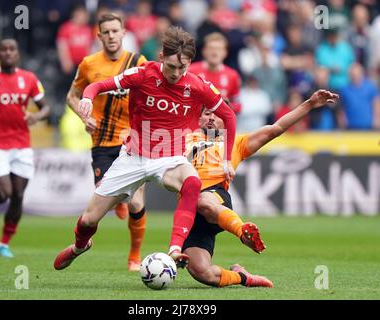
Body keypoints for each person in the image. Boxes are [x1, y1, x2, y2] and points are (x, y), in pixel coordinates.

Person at [53, 26, 237, 271]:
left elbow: (229, 115)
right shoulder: (142, 74)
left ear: (190, 63)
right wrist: (87, 98)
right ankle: (80, 246)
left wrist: (226, 161)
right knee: (89, 219)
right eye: (171, 67)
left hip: (170, 158)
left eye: (183, 67)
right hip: (133, 158)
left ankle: (174, 249)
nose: (176, 73)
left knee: (191, 182)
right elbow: (97, 86)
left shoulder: (197, 85)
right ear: (161, 57)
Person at [182, 89, 339, 288]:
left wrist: (308, 104)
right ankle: (242, 276)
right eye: (207, 113)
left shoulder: (235, 143)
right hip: (189, 211)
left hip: (215, 197)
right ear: (198, 116)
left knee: (203, 200)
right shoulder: (182, 140)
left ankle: (243, 233)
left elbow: (277, 127)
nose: (212, 118)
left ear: (227, 119)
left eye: (218, 114)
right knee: (201, 272)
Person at [66, 12, 148, 272]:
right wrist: (83, 115)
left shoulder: (138, 61)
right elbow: (72, 96)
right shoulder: (89, 64)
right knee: (105, 195)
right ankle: (118, 203)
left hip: (132, 141)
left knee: (136, 202)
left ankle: (134, 257)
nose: (111, 36)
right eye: (107, 32)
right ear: (99, 35)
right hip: (101, 141)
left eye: (116, 31)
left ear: (124, 33)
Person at [0, 39, 51, 258]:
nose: (8, 53)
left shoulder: (29, 79)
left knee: (19, 195)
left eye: (12, 49)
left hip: (21, 144)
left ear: (17, 54)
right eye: (3, 50)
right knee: (4, 194)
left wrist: (36, 116)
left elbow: (46, 108)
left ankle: (3, 243)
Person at [189, 32, 242, 114]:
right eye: (211, 48)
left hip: (220, 123)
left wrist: (227, 106)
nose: (214, 53)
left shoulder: (232, 75)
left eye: (218, 49)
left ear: (225, 53)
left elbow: (238, 105)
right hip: (195, 121)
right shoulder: (191, 71)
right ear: (204, 51)